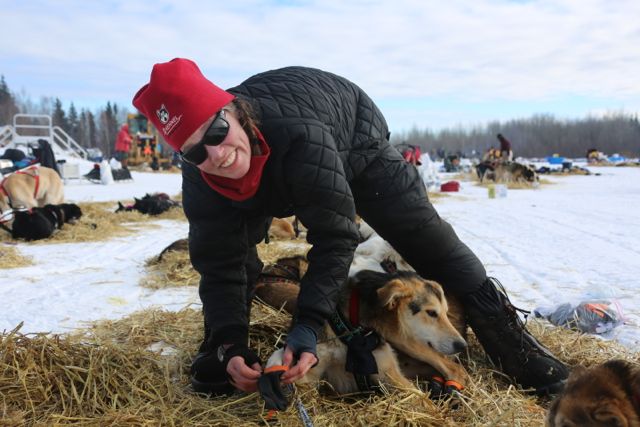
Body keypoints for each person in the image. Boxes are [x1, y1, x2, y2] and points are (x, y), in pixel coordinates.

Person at [132, 58, 568, 397]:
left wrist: (306, 325)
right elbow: (220, 263)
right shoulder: (203, 175)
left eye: (217, 131)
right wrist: (230, 345)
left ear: (235, 111)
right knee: (230, 265)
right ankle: (223, 347)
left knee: (427, 238)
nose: (216, 154)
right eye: (194, 151)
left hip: (352, 140)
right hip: (279, 168)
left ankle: (513, 343)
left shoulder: (300, 136)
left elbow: (336, 235)